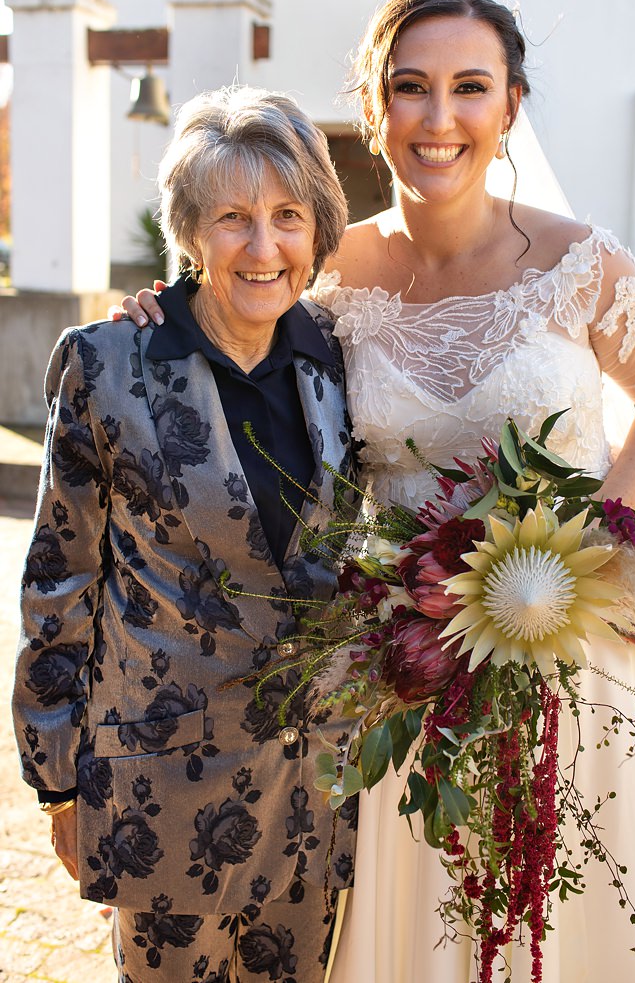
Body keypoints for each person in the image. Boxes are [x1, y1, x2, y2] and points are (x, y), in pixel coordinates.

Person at [121, 0, 635, 983]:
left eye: (469, 87)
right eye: (411, 87)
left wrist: (597, 527)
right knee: (431, 918)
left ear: (510, 107)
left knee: (577, 913)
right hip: (403, 659)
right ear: (374, 107)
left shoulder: (585, 261)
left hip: (574, 640)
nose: (438, 117)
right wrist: (167, 312)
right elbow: (237, 335)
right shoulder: (327, 273)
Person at [14, 85, 358, 981]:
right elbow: (59, 580)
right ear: (190, 233)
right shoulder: (107, 361)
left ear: (317, 231)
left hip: (312, 786)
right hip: (156, 790)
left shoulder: (340, 363)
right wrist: (55, 775)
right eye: (231, 216)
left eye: (287, 216)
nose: (261, 246)